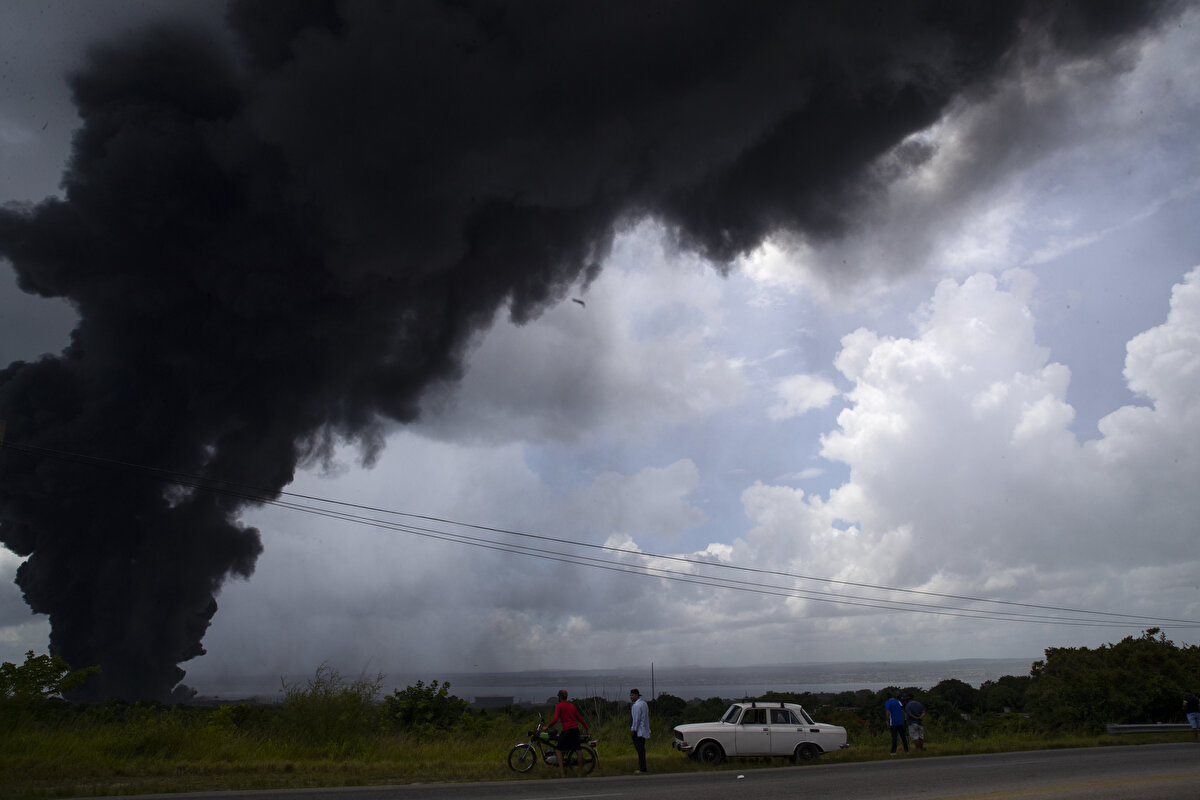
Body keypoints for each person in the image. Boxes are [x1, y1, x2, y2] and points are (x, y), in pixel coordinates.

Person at [548, 689, 590, 777]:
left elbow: (555, 719)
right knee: (578, 750)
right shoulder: (572, 706)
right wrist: (587, 728)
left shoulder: (559, 706)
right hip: (575, 730)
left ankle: (562, 773)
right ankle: (579, 773)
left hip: (567, 730)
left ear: (559, 697)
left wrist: (547, 727)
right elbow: (580, 718)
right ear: (566, 697)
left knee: (558, 749)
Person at [629, 688, 651, 773]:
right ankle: (642, 766)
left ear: (637, 695)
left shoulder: (636, 706)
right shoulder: (644, 703)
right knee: (641, 749)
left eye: (632, 695)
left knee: (640, 750)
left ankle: (642, 768)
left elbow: (636, 719)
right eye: (630, 695)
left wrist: (633, 729)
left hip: (638, 731)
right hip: (643, 730)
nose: (631, 697)